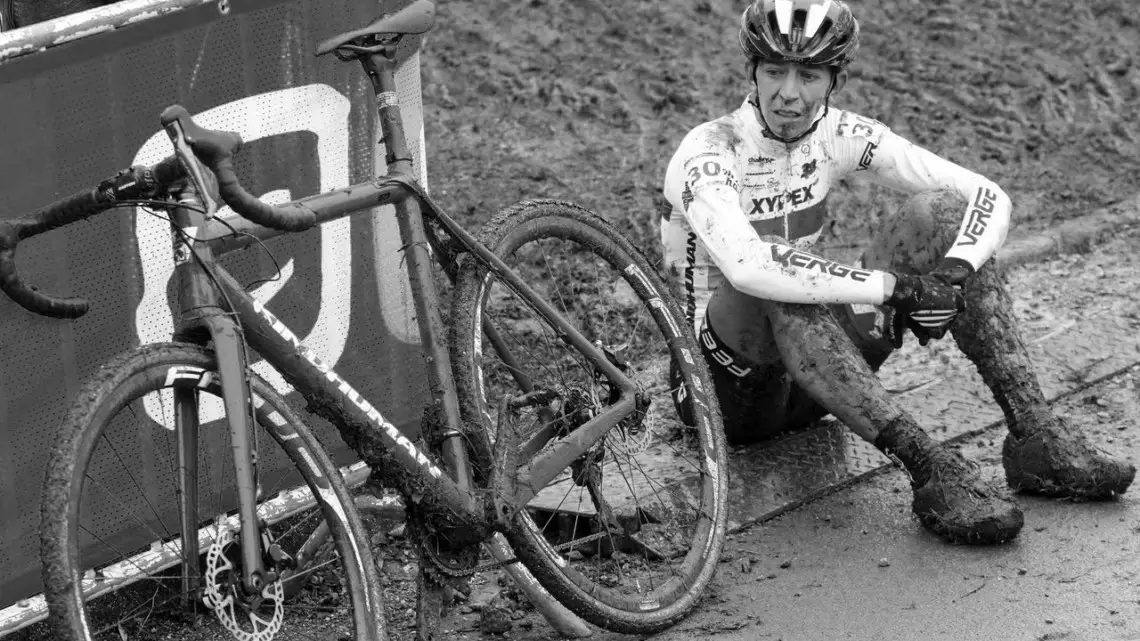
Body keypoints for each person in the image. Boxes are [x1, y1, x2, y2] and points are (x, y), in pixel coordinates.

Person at [661, 0, 1134, 544]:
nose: (788, 92)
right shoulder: (710, 149)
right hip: (721, 392)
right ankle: (931, 469)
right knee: (777, 270)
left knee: (943, 214)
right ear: (753, 72)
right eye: (774, 71)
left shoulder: (840, 134)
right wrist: (898, 288)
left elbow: (984, 194)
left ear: (833, 79)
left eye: (808, 74)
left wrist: (951, 275)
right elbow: (750, 265)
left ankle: (1036, 436)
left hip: (814, 380)